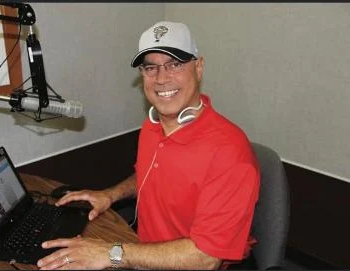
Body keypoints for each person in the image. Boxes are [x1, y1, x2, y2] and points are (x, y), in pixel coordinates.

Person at [37, 21, 260, 270]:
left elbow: (206, 258)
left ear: (198, 68)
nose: (161, 79)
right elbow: (150, 174)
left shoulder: (229, 151)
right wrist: (110, 195)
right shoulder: (152, 126)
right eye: (150, 67)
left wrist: (111, 254)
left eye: (174, 64)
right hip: (142, 253)